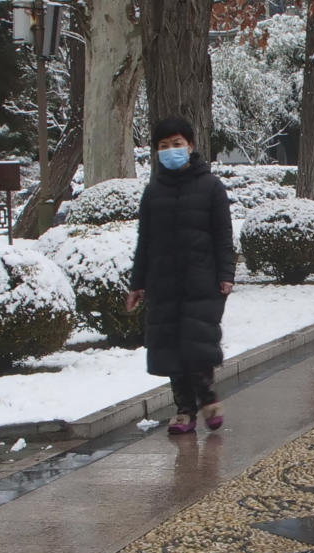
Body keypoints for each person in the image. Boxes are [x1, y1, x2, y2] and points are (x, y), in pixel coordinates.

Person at [126, 116, 236, 435]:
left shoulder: (211, 187)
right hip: (164, 284)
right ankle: (184, 409)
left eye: (177, 144)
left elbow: (223, 236)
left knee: (197, 344)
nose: (171, 150)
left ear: (190, 146)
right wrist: (137, 284)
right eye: (163, 146)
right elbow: (144, 242)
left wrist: (226, 274)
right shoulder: (153, 192)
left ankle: (207, 396)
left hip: (202, 281)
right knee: (172, 348)